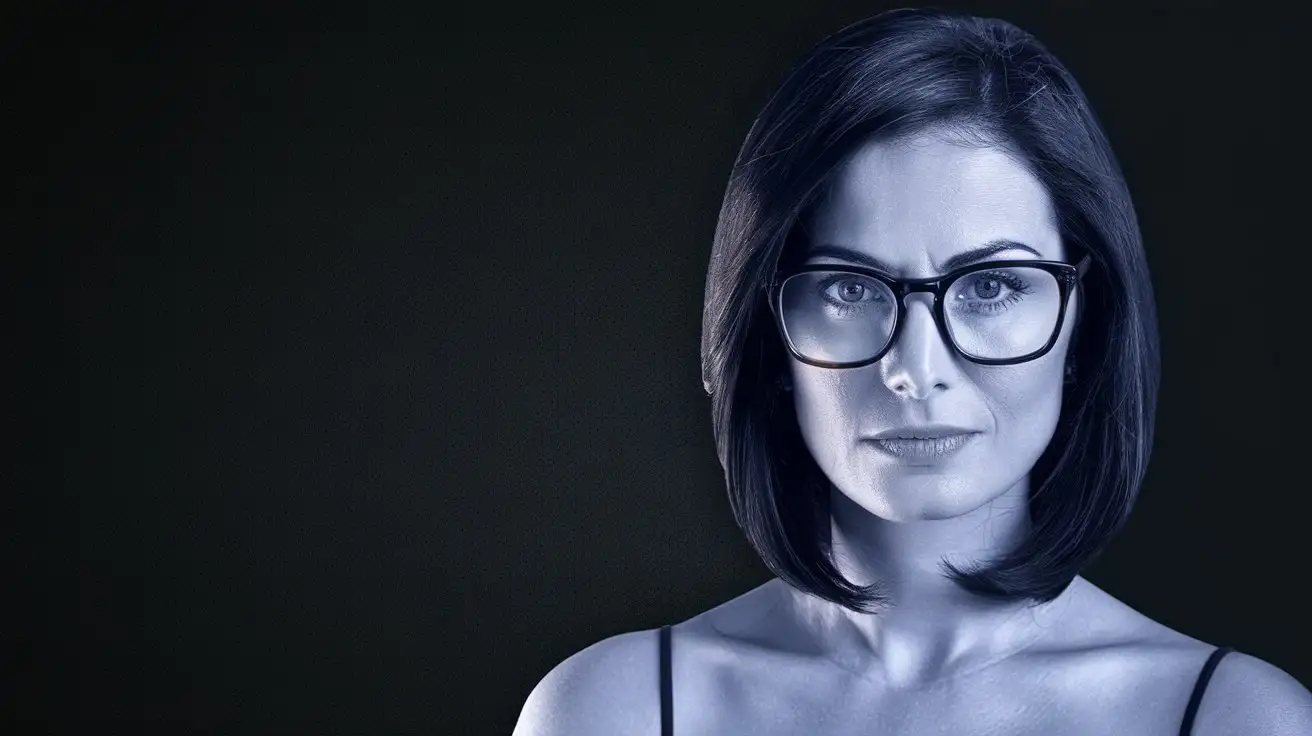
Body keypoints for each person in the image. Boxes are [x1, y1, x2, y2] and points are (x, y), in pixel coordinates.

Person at [512, 8, 1312, 735]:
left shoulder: (1234, 719)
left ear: (1085, 322)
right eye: (849, 287)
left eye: (992, 286)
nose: (915, 369)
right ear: (767, 332)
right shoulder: (611, 711)